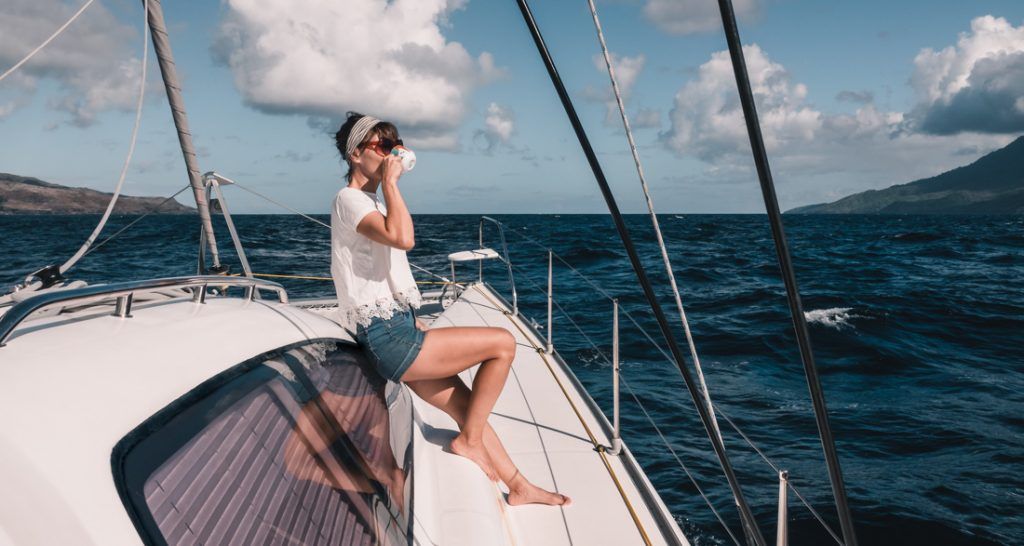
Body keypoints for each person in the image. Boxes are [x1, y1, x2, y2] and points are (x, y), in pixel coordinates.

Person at [330, 112, 570, 506]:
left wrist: (411, 317)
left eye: (396, 145)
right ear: (356, 154)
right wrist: (391, 182)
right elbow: (403, 238)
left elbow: (379, 269)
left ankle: (519, 485)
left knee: (464, 405)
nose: (393, 153)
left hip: (395, 328)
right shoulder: (349, 199)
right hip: (387, 338)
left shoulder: (368, 201)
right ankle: (469, 441)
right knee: (503, 344)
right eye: (383, 147)